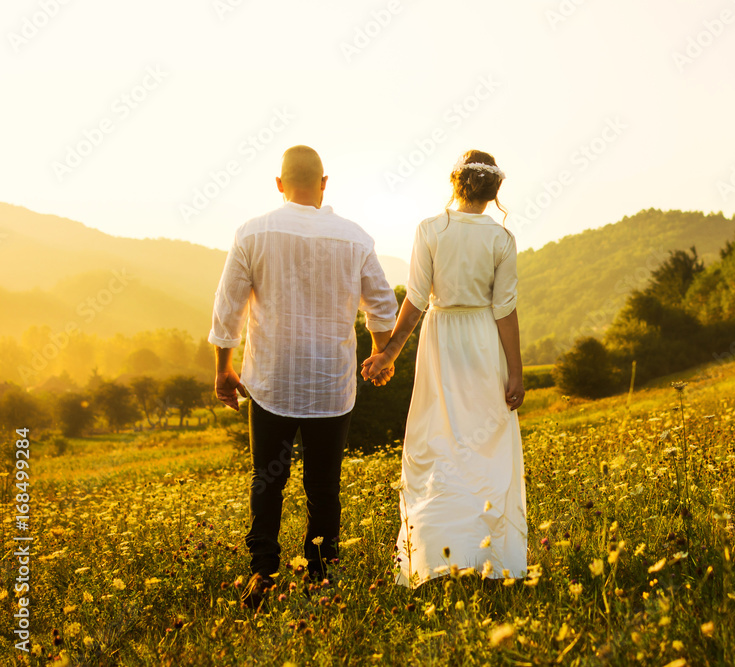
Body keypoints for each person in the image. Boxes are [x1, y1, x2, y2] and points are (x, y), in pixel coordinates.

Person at [209, 145, 398, 610]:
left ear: (279, 184)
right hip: (330, 385)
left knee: (266, 481)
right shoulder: (355, 238)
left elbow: (228, 308)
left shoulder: (253, 233)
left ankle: (264, 572)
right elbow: (383, 308)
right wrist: (380, 355)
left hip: (271, 380)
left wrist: (223, 370)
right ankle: (321, 575)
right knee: (323, 485)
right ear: (324, 183)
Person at [361, 149, 527, 587]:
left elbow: (415, 299)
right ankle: (488, 558)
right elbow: (505, 310)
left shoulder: (430, 229)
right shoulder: (502, 239)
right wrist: (516, 371)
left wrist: (390, 353)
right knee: (484, 447)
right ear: (494, 191)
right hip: (483, 341)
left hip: (441, 343)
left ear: (457, 183)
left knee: (438, 444)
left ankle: (436, 556)